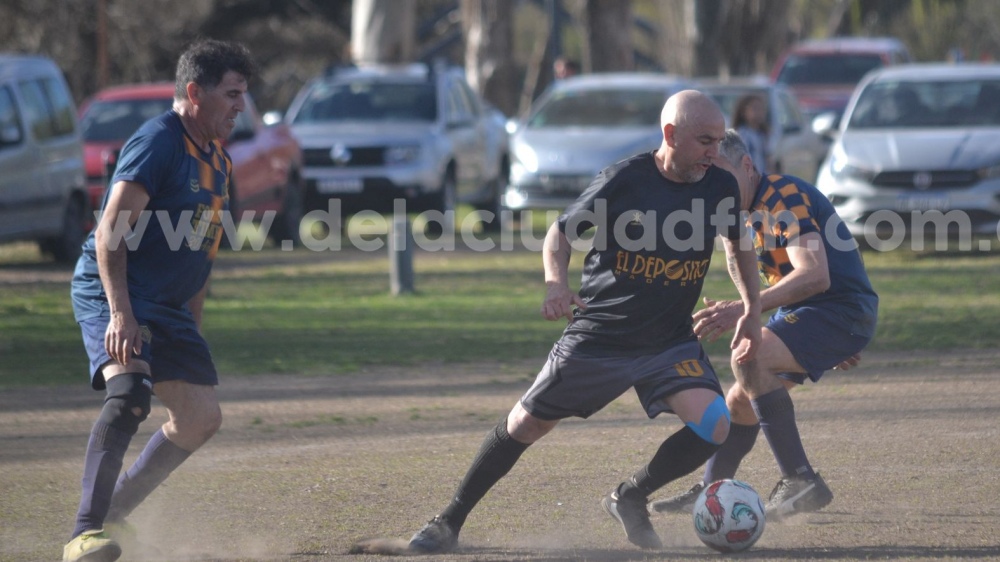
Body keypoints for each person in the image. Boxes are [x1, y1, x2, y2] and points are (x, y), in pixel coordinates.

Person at [407, 90, 763, 553]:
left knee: (714, 425)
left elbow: (738, 248)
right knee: (526, 424)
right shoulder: (624, 179)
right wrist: (556, 284)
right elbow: (559, 233)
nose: (714, 152)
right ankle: (448, 521)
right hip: (602, 335)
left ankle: (630, 495)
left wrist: (751, 310)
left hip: (668, 341)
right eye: (704, 140)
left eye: (718, 140)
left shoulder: (718, 185)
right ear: (670, 135)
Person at [63, 39, 257, 562]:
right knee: (129, 393)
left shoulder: (219, 159)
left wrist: (191, 324)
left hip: (167, 305)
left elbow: (200, 252)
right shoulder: (159, 142)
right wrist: (121, 312)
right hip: (115, 287)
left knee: (200, 418)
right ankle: (84, 533)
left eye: (244, 94)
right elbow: (110, 235)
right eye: (233, 93)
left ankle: (113, 514)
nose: (242, 105)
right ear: (194, 92)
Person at [648, 129, 878, 522]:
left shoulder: (780, 197)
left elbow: (815, 275)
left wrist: (744, 309)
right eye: (705, 171)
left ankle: (800, 479)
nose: (712, 181)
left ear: (747, 166)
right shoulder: (736, 212)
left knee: (748, 356)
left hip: (837, 308)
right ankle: (711, 491)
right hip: (819, 314)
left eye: (718, 169)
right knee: (739, 401)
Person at [732, 94, 770, 174]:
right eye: (755, 109)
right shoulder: (741, 134)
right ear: (743, 111)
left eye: (761, 109)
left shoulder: (762, 134)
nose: (759, 113)